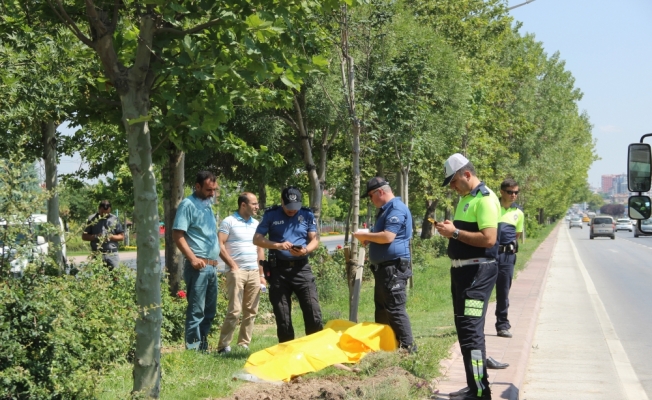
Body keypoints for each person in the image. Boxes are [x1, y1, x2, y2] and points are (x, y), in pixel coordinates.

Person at [435, 153, 505, 400]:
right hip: (463, 274)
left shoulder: (485, 200)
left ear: (466, 174)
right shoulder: (467, 198)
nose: (452, 187)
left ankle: (480, 391)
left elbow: (489, 239)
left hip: (478, 274)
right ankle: (474, 386)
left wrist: (454, 234)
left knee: (472, 331)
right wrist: (451, 231)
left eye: (453, 181)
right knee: (466, 331)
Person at [352, 177, 416, 353]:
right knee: (382, 309)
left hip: (394, 267)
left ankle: (409, 349)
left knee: (395, 308)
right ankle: (386, 346)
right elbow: (382, 238)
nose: (371, 201)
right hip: (383, 269)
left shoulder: (396, 209)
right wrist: (370, 239)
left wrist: (365, 236)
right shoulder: (385, 210)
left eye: (371, 196)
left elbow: (388, 236)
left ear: (380, 192)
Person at [253, 186, 323, 343]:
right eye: (289, 208)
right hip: (279, 271)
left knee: (313, 309)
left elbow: (315, 239)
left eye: (295, 207)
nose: (292, 211)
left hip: (302, 269)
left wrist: (305, 250)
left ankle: (317, 347)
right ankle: (287, 351)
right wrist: (277, 245)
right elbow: (257, 239)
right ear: (282, 202)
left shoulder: (306, 214)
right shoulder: (271, 214)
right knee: (282, 314)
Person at [172, 171, 220, 351]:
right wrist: (192, 259)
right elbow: (178, 235)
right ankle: (193, 349)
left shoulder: (207, 206)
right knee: (196, 310)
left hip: (212, 267)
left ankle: (203, 347)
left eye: (214, 190)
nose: (212, 193)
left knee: (209, 311)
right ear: (197, 186)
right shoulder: (187, 205)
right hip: (198, 267)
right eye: (208, 189)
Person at [217, 192, 265, 354]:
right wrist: (233, 266)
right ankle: (223, 346)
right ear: (243, 205)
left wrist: (262, 274)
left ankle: (243, 344)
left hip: (253, 271)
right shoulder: (228, 222)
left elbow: (260, 250)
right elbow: (220, 245)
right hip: (236, 272)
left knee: (251, 310)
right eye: (254, 204)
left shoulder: (256, 224)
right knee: (235, 310)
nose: (257, 207)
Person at [495, 179, 524, 339]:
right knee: (482, 292)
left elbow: (516, 236)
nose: (513, 195)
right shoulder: (492, 207)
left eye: (516, 192)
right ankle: (474, 325)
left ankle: (502, 325)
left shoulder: (518, 213)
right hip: (489, 255)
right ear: (501, 192)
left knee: (503, 292)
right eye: (510, 192)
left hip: (507, 257)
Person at [82, 200, 124, 269]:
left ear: (110, 210)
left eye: (107, 213)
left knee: (116, 276)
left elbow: (121, 237)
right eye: (102, 213)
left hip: (112, 254)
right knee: (99, 278)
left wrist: (110, 237)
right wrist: (96, 237)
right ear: (99, 209)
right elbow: (84, 236)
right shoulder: (92, 219)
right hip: (97, 254)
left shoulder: (115, 219)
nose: (104, 215)